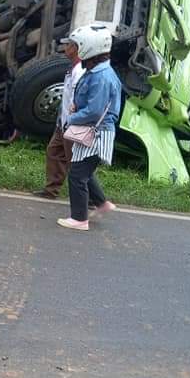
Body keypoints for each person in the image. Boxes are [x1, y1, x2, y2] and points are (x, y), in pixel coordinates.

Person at [56, 24, 122, 231]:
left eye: (77, 45)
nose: (74, 48)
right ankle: (102, 203)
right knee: (82, 170)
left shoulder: (101, 76)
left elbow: (94, 111)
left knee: (77, 174)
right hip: (95, 130)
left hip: (97, 132)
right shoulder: (97, 71)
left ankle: (79, 219)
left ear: (89, 47)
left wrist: (72, 117)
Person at [33, 39, 84, 198]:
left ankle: (93, 198)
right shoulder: (72, 68)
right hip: (63, 122)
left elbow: (77, 100)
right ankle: (51, 190)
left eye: (68, 45)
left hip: (72, 123)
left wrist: (72, 121)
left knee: (75, 162)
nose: (65, 48)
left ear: (76, 49)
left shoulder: (80, 71)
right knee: (54, 152)